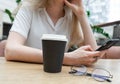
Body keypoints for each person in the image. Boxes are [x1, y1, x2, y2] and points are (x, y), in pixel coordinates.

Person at [5, 0, 102, 66]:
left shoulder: (72, 17)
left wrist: (81, 13)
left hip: (57, 76)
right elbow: (10, 50)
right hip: (26, 74)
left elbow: (93, 55)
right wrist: (66, 58)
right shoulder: (29, 8)